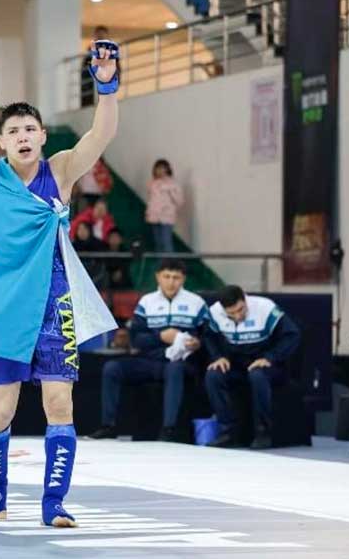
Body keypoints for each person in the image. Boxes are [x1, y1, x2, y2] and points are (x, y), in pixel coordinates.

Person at [0, 40, 120, 527]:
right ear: (0, 142)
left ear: (42, 136)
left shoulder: (60, 171)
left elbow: (101, 134)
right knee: (2, 409)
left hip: (54, 301)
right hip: (7, 305)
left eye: (30, 129)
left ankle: (54, 503)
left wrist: (106, 86)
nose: (22, 136)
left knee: (60, 402)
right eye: (13, 130)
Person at [90, 260, 208, 441]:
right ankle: (108, 425)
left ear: (183, 279)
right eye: (166, 276)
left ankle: (169, 430)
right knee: (112, 368)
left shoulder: (196, 303)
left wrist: (197, 343)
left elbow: (207, 337)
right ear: (158, 277)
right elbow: (137, 339)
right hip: (150, 360)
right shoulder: (147, 302)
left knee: (174, 368)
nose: (171, 282)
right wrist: (161, 337)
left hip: (182, 362)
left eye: (176, 277)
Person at [204, 285, 302, 450]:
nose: (237, 316)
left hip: (265, 364)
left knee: (257, 375)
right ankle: (228, 432)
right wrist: (218, 356)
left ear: (244, 298)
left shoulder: (265, 308)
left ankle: (263, 432)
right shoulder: (214, 312)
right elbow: (208, 336)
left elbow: (292, 335)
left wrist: (271, 357)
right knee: (213, 375)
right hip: (236, 364)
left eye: (240, 310)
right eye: (231, 314)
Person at [145, 158, 183, 252]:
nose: (160, 170)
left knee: (166, 242)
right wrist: (148, 213)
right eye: (158, 168)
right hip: (154, 217)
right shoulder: (152, 184)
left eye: (163, 168)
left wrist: (170, 192)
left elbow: (179, 201)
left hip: (167, 217)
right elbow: (150, 201)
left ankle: (170, 262)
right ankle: (160, 261)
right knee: (158, 243)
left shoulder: (173, 184)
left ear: (167, 169)